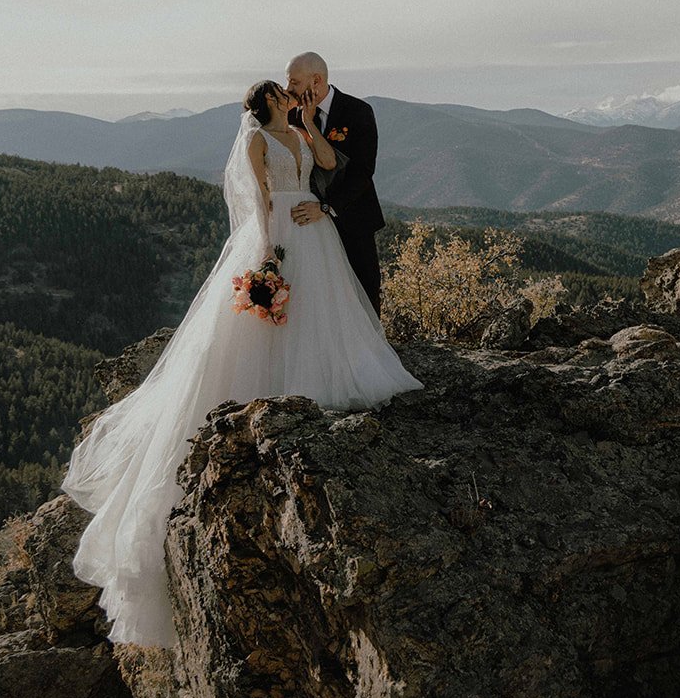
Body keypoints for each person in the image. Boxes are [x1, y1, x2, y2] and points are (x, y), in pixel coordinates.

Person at [60, 78, 423, 647]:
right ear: (266, 101)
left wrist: (307, 129)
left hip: (314, 224)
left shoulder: (302, 130)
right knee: (265, 322)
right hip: (278, 230)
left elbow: (330, 162)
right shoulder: (256, 140)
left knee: (325, 311)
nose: (290, 95)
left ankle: (325, 377)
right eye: (283, 92)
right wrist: (269, 248)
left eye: (292, 91)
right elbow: (255, 195)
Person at [283, 51, 386, 314]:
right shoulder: (291, 118)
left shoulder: (358, 111)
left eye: (294, 82)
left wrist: (327, 207)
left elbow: (363, 171)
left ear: (316, 80)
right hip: (307, 224)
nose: (288, 89)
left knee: (364, 288)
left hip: (353, 217)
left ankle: (371, 350)